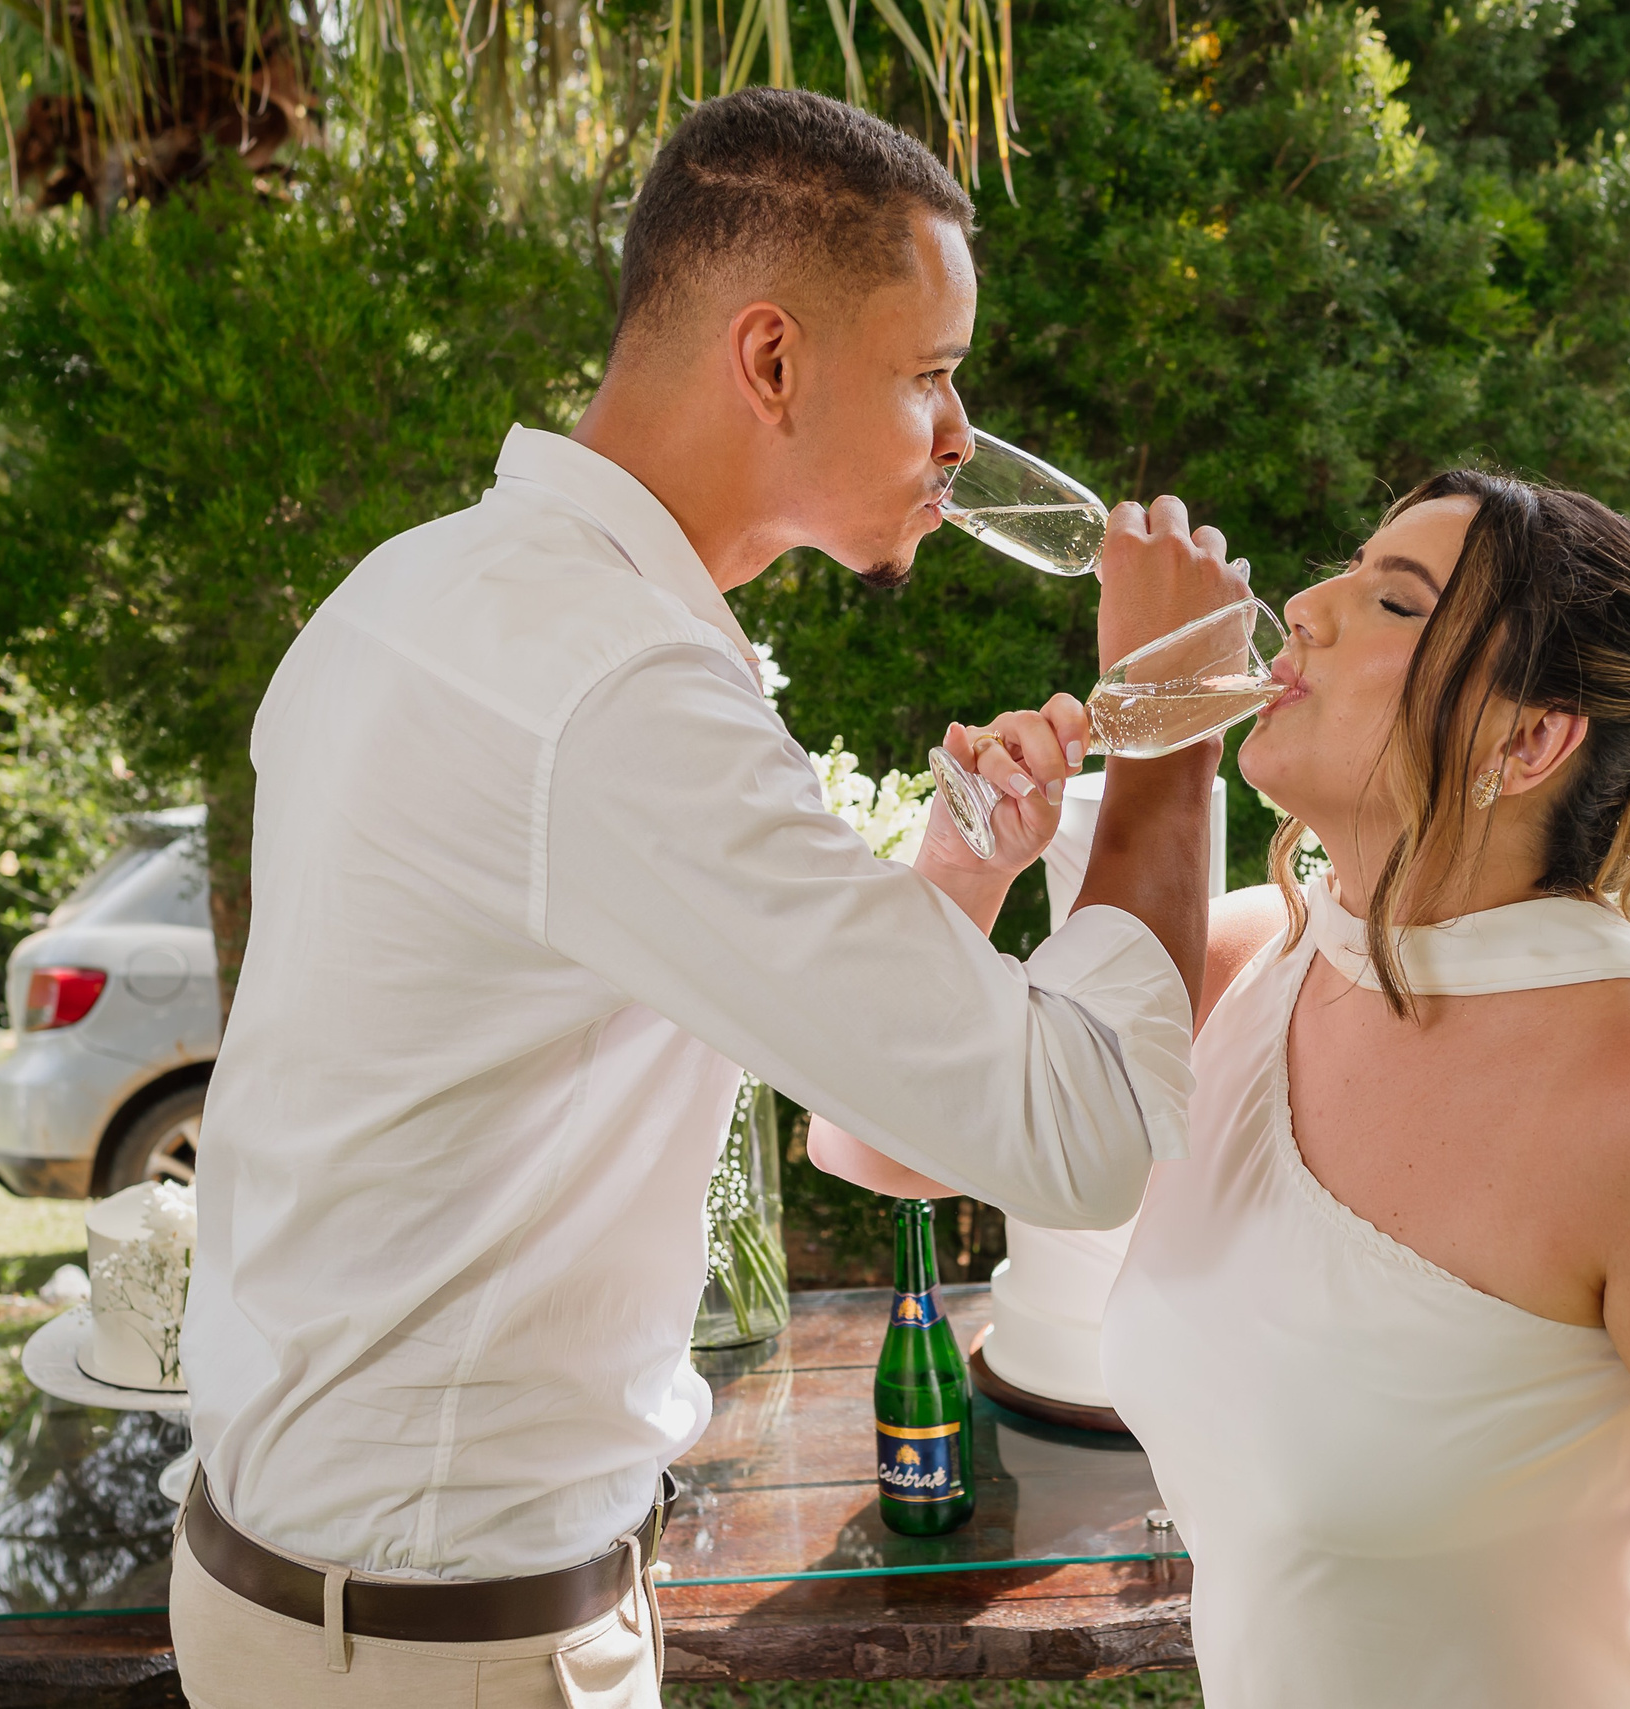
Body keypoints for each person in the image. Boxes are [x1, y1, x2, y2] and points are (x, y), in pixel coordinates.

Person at [170, 88, 1247, 1708]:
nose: (962, 440)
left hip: (336, 1597)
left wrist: (957, 874)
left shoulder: (428, 590)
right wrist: (1168, 716)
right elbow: (1085, 1133)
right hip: (435, 1648)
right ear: (771, 359)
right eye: (933, 376)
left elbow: (821, 1083)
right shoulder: (615, 692)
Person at [813, 472, 1630, 1706]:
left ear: (1527, 740)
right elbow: (870, 1143)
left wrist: (1162, 707)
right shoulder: (1253, 959)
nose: (1302, 606)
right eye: (1344, 570)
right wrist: (965, 864)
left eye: (1395, 602)